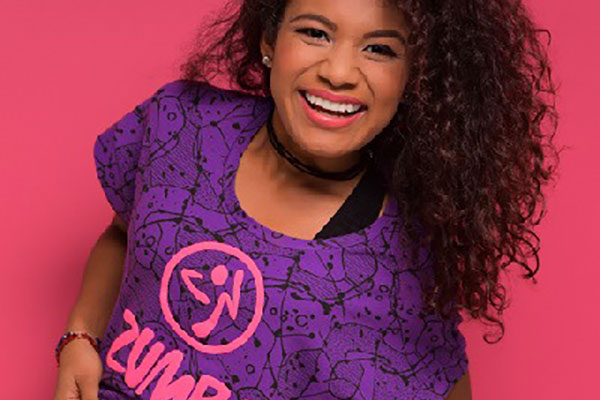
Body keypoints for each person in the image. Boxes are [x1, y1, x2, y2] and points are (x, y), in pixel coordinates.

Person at [53, 0, 558, 399]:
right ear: (270, 40)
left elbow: (443, 381)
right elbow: (121, 234)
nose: (338, 71)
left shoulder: (403, 256)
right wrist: (80, 338)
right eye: (315, 32)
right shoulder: (180, 124)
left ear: (413, 77)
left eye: (379, 49)